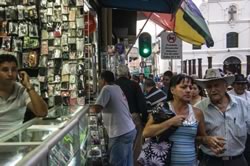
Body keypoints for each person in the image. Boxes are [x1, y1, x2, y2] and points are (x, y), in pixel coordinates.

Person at [143, 74, 210, 166]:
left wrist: (210, 141)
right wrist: (170, 122)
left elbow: (201, 137)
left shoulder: (197, 113)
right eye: (183, 87)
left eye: (190, 88)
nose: (188, 90)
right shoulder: (162, 108)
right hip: (164, 163)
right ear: (172, 90)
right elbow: (146, 132)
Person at [195, 68, 250, 166]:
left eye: (216, 85)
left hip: (237, 161)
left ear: (225, 86)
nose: (213, 90)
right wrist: (205, 139)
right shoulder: (199, 109)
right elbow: (191, 136)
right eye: (209, 87)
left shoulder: (243, 105)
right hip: (210, 161)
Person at [90, 70, 136, 166]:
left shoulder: (106, 89)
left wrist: (87, 109)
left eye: (99, 80)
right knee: (127, 162)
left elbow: (97, 108)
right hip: (129, 129)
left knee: (116, 163)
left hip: (120, 133)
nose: (98, 83)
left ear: (103, 80)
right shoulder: (117, 87)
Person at [0, 54, 48, 133]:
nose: (10, 74)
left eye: (14, 70)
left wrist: (28, 85)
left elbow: (42, 113)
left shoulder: (21, 90)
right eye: (5, 70)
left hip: (16, 141)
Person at [115, 64, 148, 166]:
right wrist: (144, 119)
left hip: (117, 119)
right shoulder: (134, 85)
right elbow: (142, 103)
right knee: (136, 145)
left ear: (117, 74)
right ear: (128, 73)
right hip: (133, 117)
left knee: (119, 145)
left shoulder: (113, 86)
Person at [227, 74, 250, 165]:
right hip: (234, 130)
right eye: (238, 84)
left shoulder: (249, 95)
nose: (241, 86)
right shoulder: (228, 96)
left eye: (243, 84)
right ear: (233, 85)